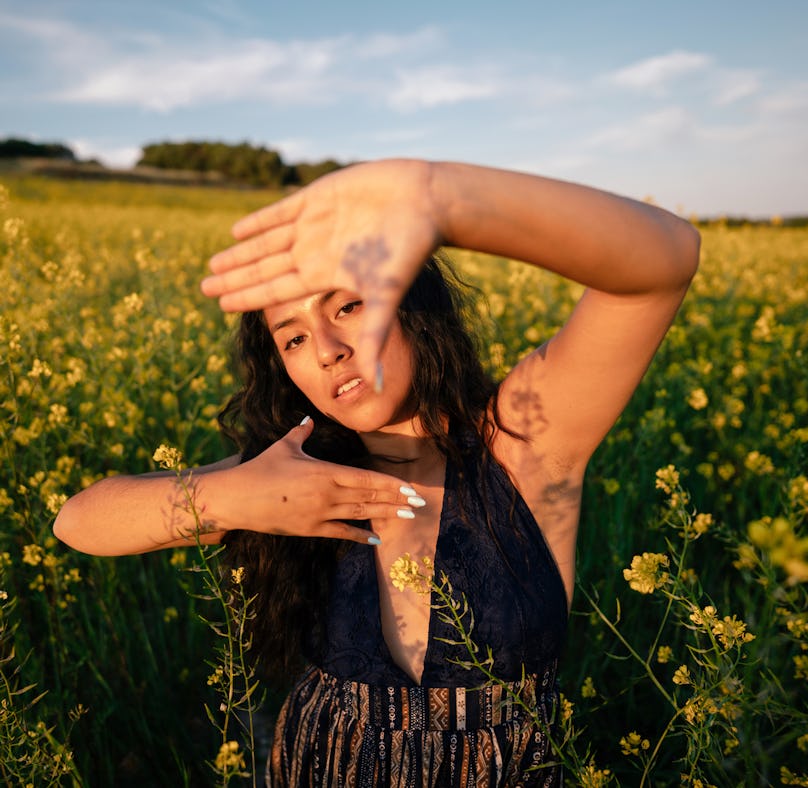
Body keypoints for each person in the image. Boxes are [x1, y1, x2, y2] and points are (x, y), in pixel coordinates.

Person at [54, 159, 700, 786]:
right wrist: (232, 499)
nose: (327, 352)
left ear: (410, 303)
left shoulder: (523, 444)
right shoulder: (293, 476)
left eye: (347, 307)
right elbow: (77, 522)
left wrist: (435, 197)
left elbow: (664, 263)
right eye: (293, 338)